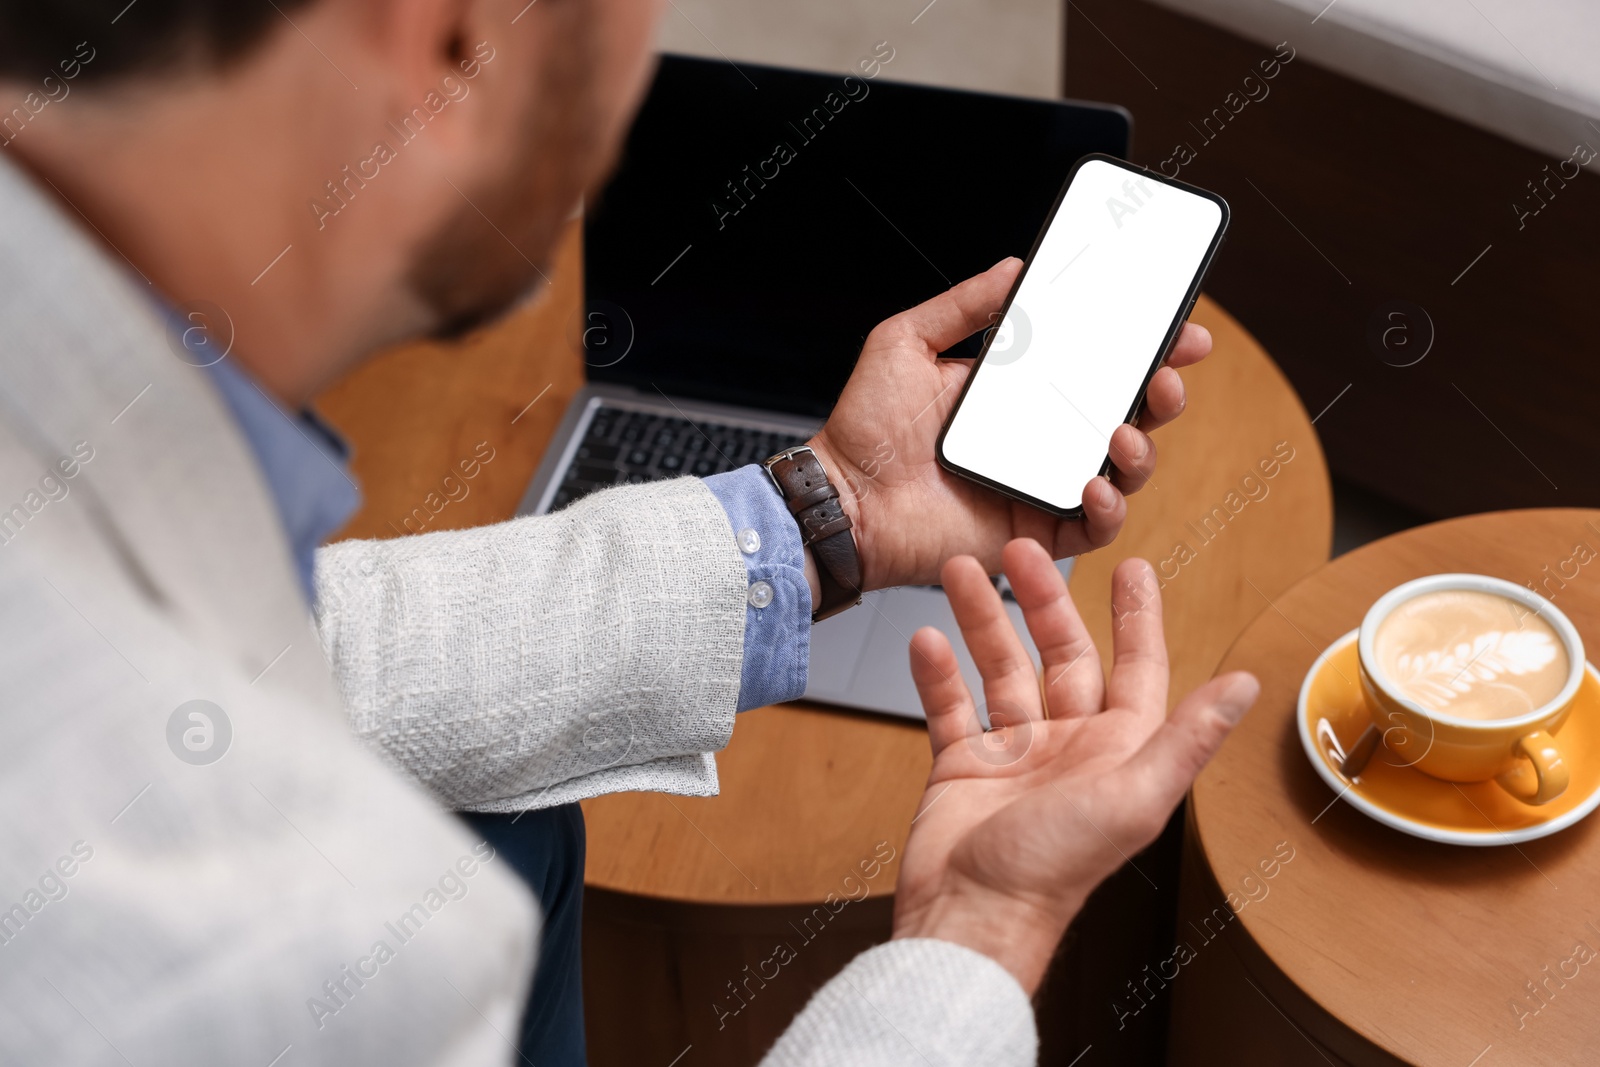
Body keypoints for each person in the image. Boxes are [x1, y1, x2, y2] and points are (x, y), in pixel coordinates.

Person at [0, 1, 1257, 1064]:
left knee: (510, 827)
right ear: (443, 36)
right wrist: (982, 926)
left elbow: (298, 661)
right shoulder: (288, 959)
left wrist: (830, 514)